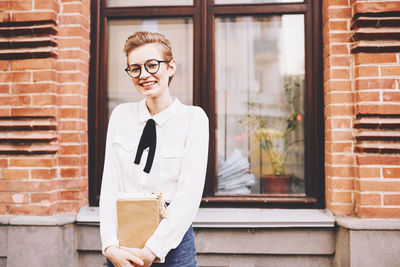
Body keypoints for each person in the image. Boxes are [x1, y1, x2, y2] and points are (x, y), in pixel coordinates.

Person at [99, 31, 209, 267]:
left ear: (170, 68)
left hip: (173, 243)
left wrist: (153, 249)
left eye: (152, 65)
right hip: (123, 244)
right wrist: (109, 246)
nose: (144, 75)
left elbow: (189, 195)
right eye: (135, 68)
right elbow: (110, 186)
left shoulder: (193, 119)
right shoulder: (120, 116)